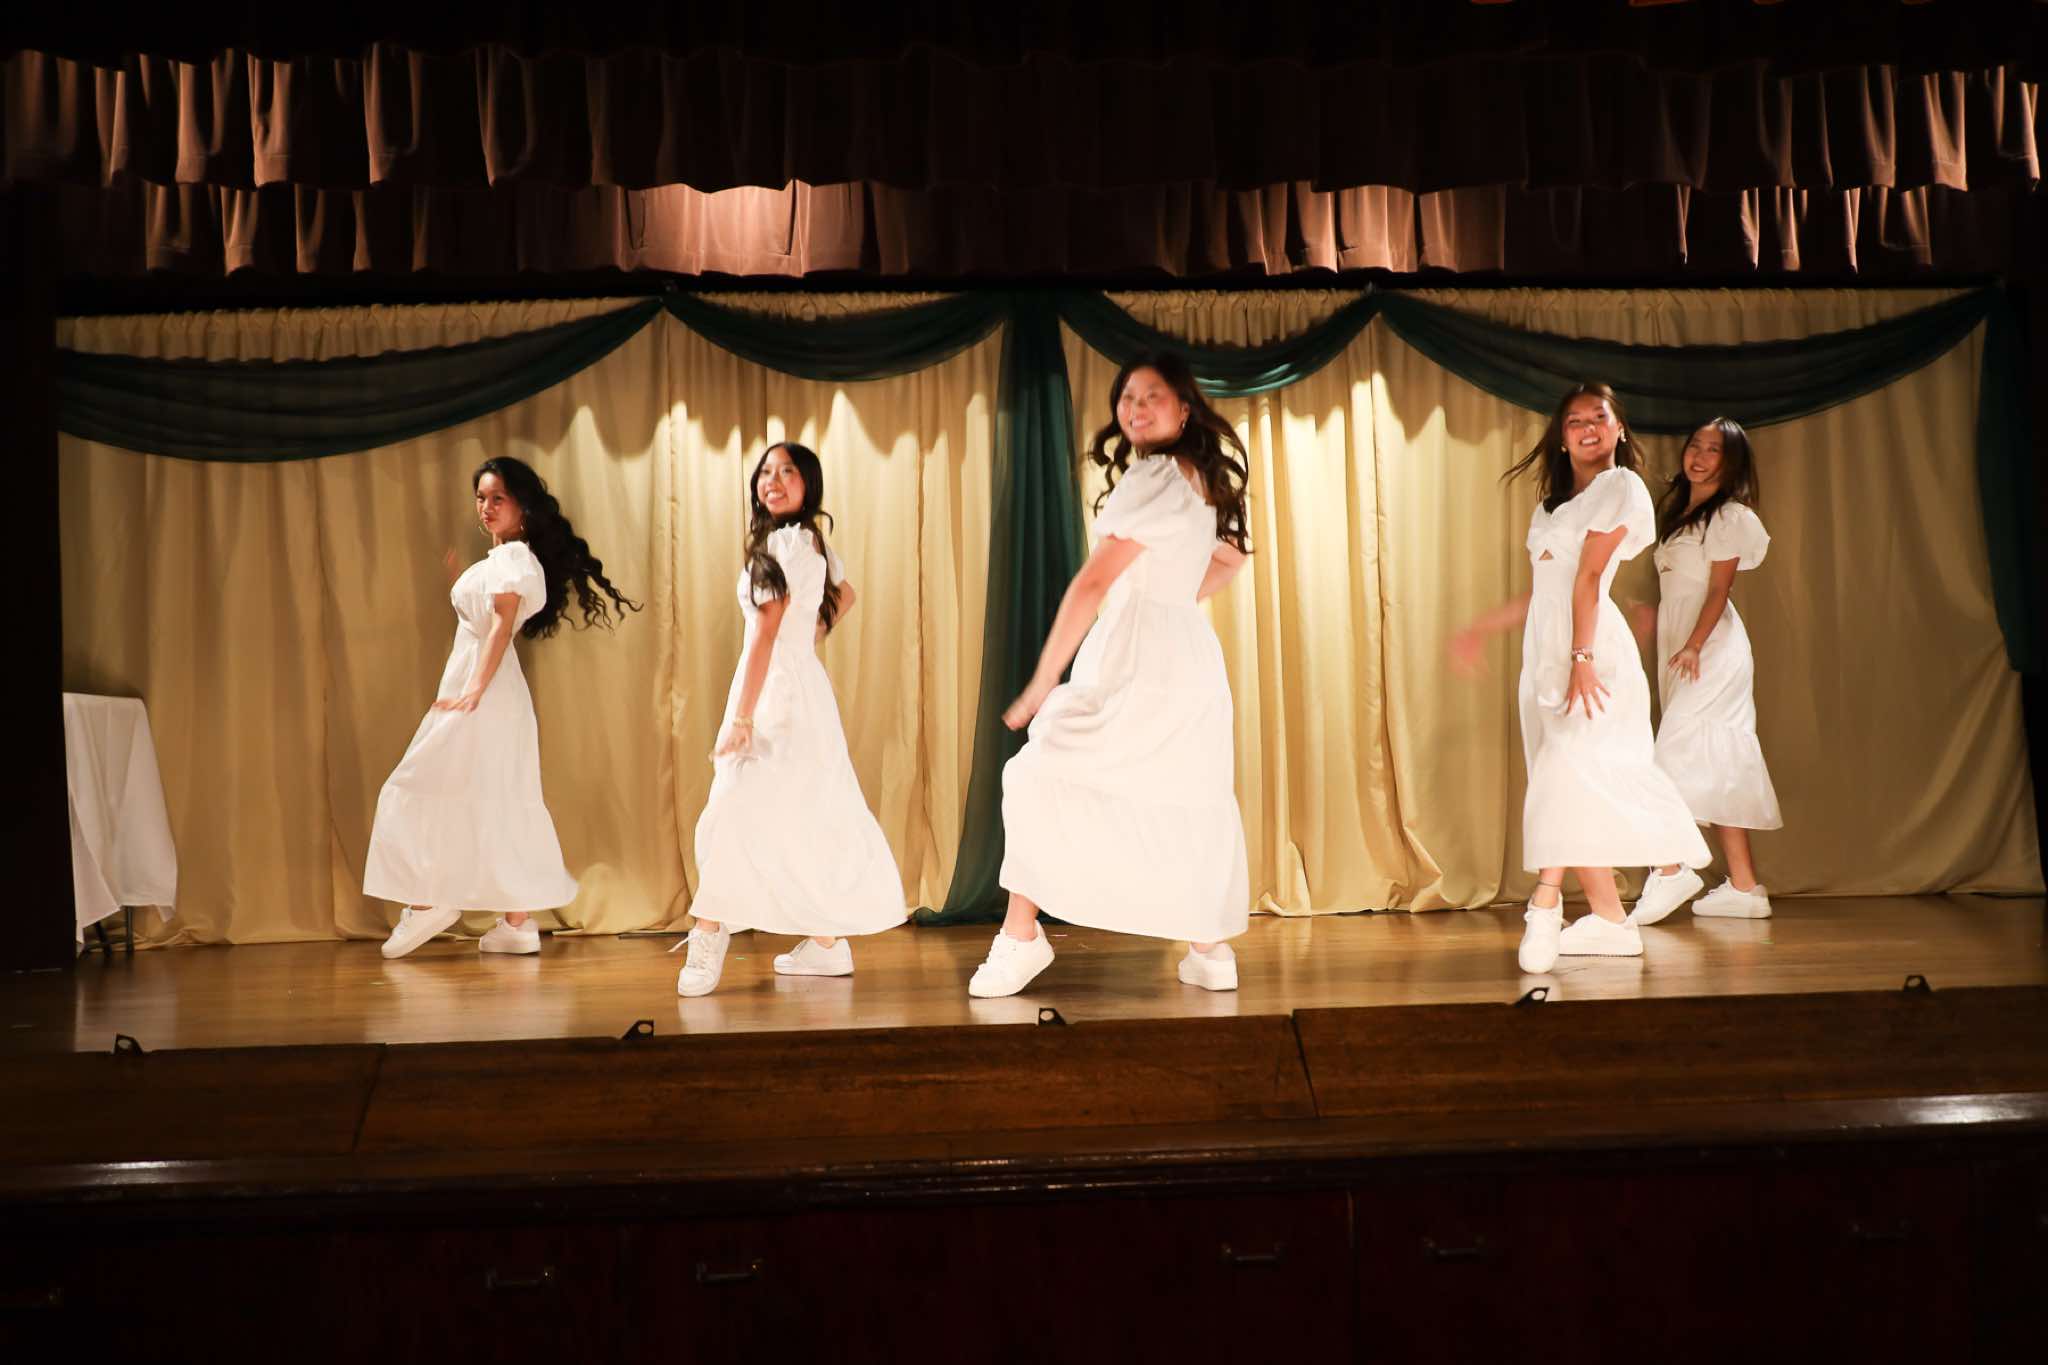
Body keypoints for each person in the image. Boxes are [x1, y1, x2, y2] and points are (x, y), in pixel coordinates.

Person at [969, 351, 1253, 999]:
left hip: (1136, 659)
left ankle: (1020, 936)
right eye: (1128, 397)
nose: (1136, 407)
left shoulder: (1152, 476)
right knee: (1186, 789)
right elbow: (1231, 558)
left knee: (1037, 773)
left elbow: (1093, 583)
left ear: (1184, 408)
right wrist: (1171, 600)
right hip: (1190, 658)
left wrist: (1042, 683)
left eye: (1153, 395)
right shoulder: (1200, 477)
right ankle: (1210, 951)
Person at [1450, 383, 1709, 971]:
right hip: (1548, 650)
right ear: (1561, 439)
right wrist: (1482, 629)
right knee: (1572, 781)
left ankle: (1546, 904)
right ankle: (1616, 916)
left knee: (1565, 773)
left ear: (1619, 430)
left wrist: (1582, 659)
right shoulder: (1551, 508)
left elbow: (1589, 579)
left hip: (1589, 654)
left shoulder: (1622, 487)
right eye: (1575, 421)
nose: (1588, 428)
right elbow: (1548, 589)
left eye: (1600, 417)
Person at [367, 456, 638, 959]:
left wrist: (475, 688)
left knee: (424, 783)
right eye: (481, 497)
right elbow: (488, 619)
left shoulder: (513, 559)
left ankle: (429, 902)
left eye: (499, 498)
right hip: (488, 687)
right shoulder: (503, 561)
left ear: (522, 506)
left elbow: (499, 625)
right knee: (497, 792)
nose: (486, 506)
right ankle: (517, 923)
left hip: (484, 688)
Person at [676, 442, 907, 998]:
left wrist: (743, 717)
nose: (773, 481)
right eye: (765, 472)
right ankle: (827, 944)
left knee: (733, 808)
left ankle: (708, 933)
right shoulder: (809, 541)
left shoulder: (783, 544)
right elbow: (842, 593)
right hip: (803, 691)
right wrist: (807, 639)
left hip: (773, 696)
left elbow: (764, 633)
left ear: (809, 485)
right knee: (805, 808)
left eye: (788, 472)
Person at [1630, 417, 1782, 923]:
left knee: (1670, 757)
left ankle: (1670, 869)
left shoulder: (1730, 516)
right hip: (1683, 647)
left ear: (1730, 461)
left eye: (1712, 449)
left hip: (1712, 650)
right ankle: (1745, 887)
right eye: (1694, 445)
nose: (1698, 455)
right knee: (1714, 764)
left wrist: (1695, 645)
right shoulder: (1682, 513)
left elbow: (1719, 590)